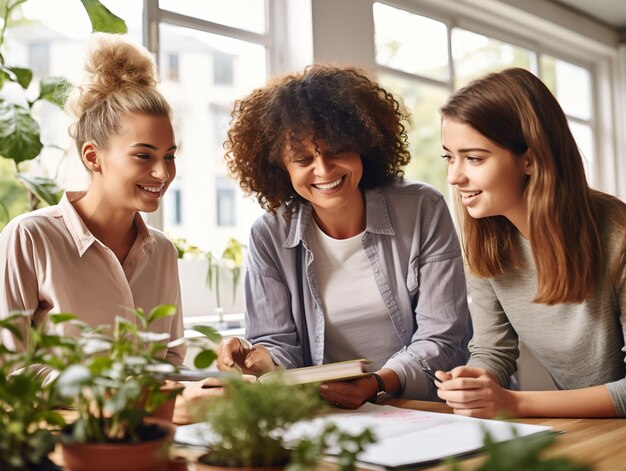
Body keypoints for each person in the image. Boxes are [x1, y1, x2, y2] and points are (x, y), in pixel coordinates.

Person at [216, 64, 471, 408]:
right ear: (280, 167)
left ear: (363, 144)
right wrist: (255, 356)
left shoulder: (423, 208)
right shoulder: (269, 236)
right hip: (332, 414)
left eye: (336, 150)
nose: (323, 170)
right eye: (303, 158)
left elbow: (443, 335)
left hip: (426, 405)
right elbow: (277, 343)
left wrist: (378, 384)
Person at [435, 67, 626, 418]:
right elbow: (492, 350)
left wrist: (514, 402)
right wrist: (476, 382)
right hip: (589, 428)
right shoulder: (486, 239)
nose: (454, 176)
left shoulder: (618, 234)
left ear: (530, 158)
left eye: (474, 158)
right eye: (449, 156)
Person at [0, 34, 185, 378]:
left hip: (147, 430)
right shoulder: (31, 237)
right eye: (144, 155)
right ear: (93, 156)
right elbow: (9, 369)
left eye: (169, 157)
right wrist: (93, 394)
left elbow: (170, 357)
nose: (162, 173)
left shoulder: (162, 252)